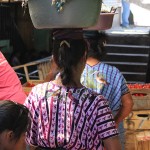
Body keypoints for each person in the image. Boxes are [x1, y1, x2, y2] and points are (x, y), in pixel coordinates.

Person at [24, 29, 121, 150]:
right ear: (84, 56)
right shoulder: (96, 103)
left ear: (54, 59)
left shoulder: (36, 94)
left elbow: (27, 141)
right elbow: (114, 148)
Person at [81, 30, 133, 150]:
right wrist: (114, 122)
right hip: (112, 133)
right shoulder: (114, 72)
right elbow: (128, 103)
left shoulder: (73, 73)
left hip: (84, 132)